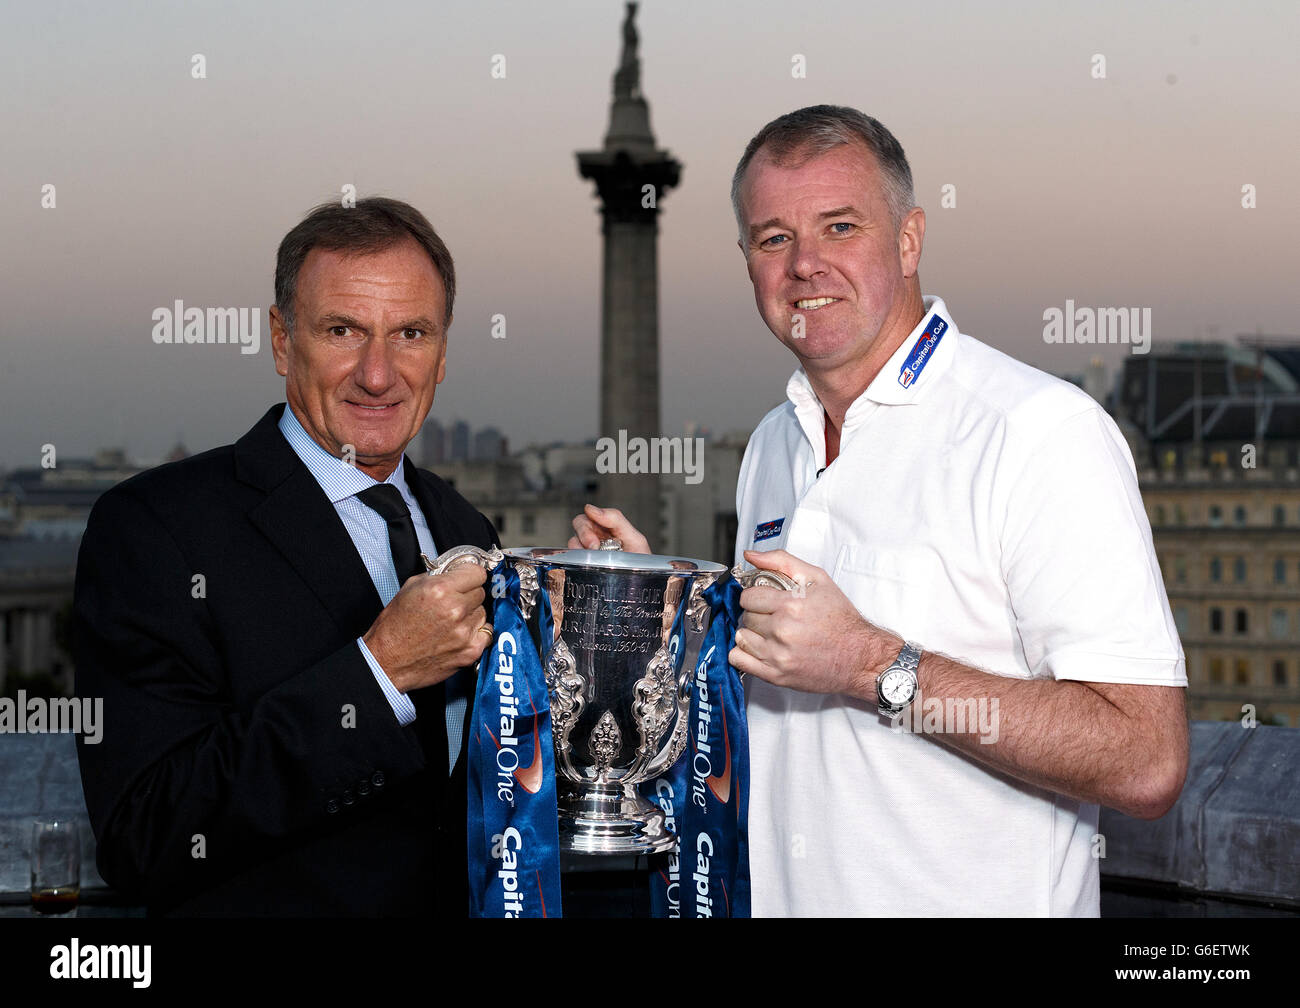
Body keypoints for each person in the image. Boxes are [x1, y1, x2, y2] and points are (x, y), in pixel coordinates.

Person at [571, 105, 1188, 916]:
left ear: (908, 240)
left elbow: (1146, 759)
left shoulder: (1040, 434)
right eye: (773, 238)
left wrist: (872, 664)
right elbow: (786, 711)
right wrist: (665, 612)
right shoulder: (772, 445)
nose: (805, 266)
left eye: (840, 227)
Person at [74, 197, 496, 916]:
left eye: (411, 334)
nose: (377, 373)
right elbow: (142, 833)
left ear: (444, 352)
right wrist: (378, 673)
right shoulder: (155, 529)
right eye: (342, 330)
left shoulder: (468, 529)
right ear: (280, 340)